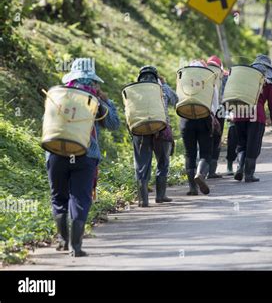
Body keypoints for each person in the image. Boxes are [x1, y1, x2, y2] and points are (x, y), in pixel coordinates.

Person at [47, 58, 120, 257]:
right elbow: (113, 125)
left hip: (56, 152)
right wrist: (105, 102)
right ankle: (76, 246)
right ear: (93, 79)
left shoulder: (59, 94)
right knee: (80, 197)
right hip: (84, 154)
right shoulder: (96, 98)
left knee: (59, 197)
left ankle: (63, 240)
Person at [131, 66, 178, 207]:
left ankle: (143, 200)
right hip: (161, 129)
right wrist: (164, 84)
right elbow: (176, 100)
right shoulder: (162, 88)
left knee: (141, 165)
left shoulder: (134, 90)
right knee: (163, 162)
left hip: (140, 130)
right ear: (156, 77)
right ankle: (160, 196)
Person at [234, 55, 272, 182]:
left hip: (239, 112)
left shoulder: (243, 77)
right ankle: (248, 174)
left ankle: (239, 167)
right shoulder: (268, 81)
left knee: (242, 144)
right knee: (253, 145)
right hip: (256, 115)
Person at [180, 60, 214, 195]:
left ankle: (192, 188)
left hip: (186, 120)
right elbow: (214, 104)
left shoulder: (183, 83)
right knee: (205, 153)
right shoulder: (208, 83)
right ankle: (200, 173)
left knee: (190, 154)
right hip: (203, 119)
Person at [206, 55, 226, 179]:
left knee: (204, 138)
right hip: (220, 111)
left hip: (204, 109)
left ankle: (202, 168)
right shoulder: (223, 76)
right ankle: (212, 171)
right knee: (217, 139)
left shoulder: (203, 72)